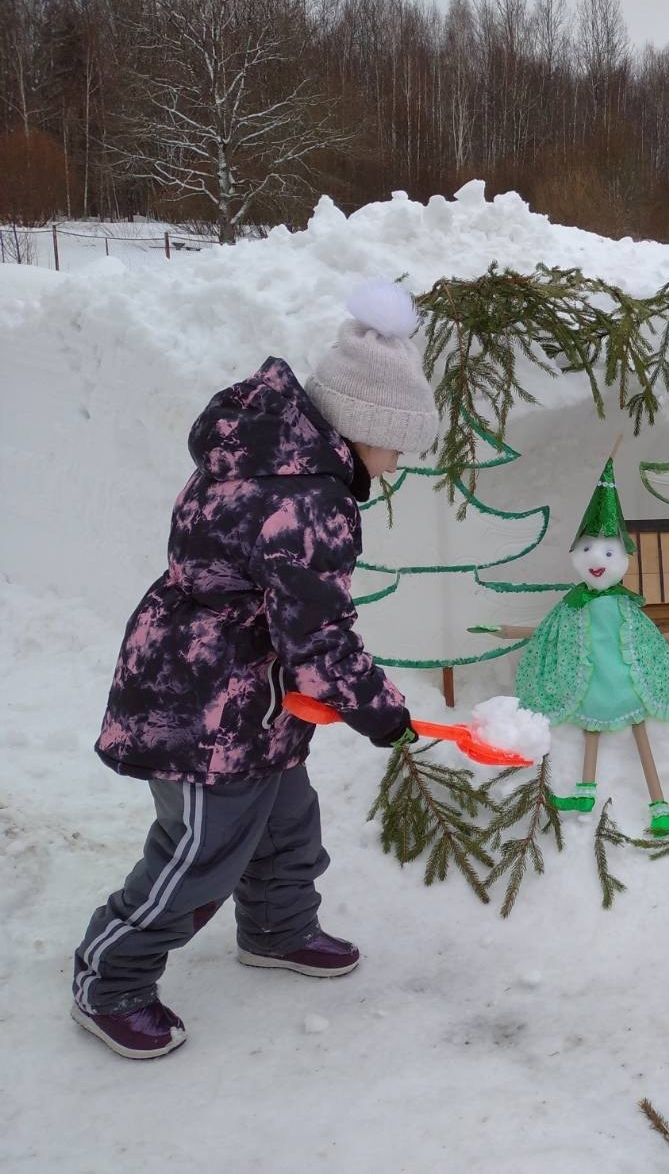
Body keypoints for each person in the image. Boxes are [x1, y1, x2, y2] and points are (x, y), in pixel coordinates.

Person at [71, 281, 438, 1059]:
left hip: (248, 693)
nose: (398, 463)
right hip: (201, 705)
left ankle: (275, 926)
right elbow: (320, 640)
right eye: (398, 443)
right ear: (364, 423)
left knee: (284, 823)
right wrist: (384, 712)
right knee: (200, 851)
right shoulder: (305, 503)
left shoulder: (274, 453)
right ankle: (110, 978)